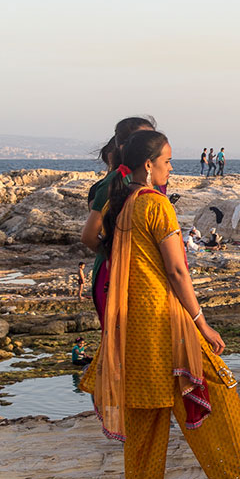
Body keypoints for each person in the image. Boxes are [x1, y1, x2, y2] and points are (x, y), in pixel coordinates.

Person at [78, 130, 240, 479]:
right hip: (165, 318)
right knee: (218, 389)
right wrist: (202, 323)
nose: (171, 169)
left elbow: (97, 242)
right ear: (148, 166)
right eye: (167, 162)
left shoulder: (125, 202)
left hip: (132, 322)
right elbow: (178, 272)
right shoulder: (156, 205)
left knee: (146, 410)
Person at [80, 116, 159, 324]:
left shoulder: (149, 183)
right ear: (125, 146)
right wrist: (119, 255)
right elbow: (89, 236)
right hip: (115, 275)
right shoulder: (113, 183)